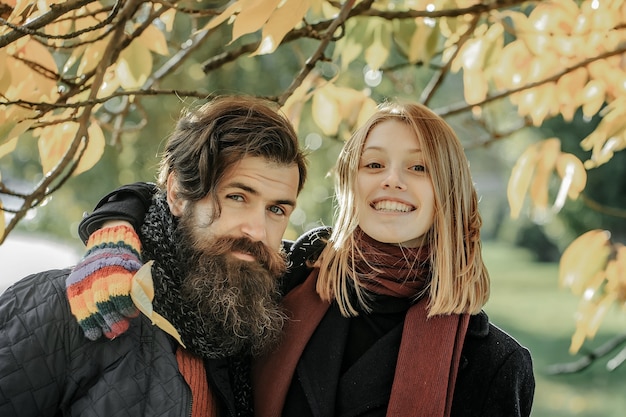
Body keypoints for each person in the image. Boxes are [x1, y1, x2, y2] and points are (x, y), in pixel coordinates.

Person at [52, 101, 535, 416]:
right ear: (351, 184)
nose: (392, 180)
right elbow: (184, 209)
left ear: (447, 191)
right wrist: (114, 224)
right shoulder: (286, 282)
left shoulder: (494, 363)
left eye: (418, 166)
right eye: (373, 164)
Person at [0, 95, 308, 417]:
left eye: (276, 209)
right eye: (237, 196)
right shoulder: (64, 306)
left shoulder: (246, 329)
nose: (257, 230)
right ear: (176, 194)